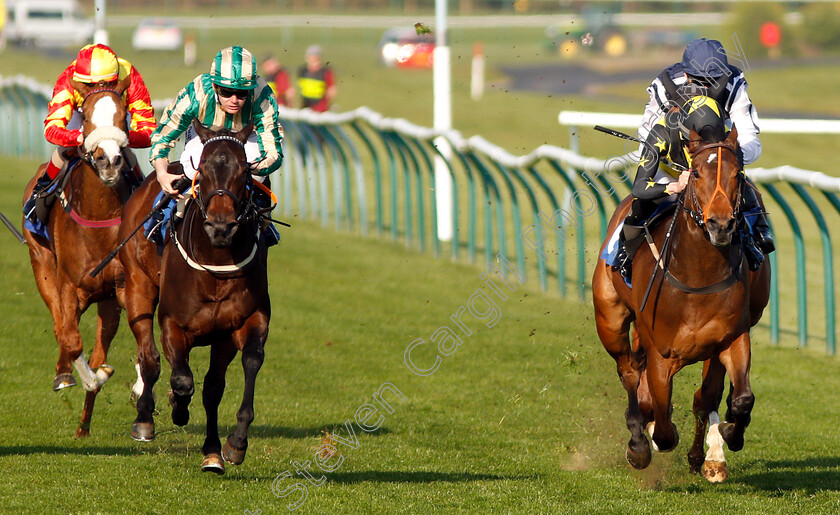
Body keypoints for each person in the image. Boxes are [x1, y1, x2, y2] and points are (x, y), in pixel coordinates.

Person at [616, 38, 774, 278]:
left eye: (712, 81)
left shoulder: (734, 84)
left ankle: (758, 234)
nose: (706, 86)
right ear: (687, 76)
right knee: (640, 205)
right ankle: (624, 251)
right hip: (670, 166)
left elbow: (751, 141)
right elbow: (643, 153)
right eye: (699, 81)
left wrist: (722, 159)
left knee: (740, 183)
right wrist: (675, 183)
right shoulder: (664, 88)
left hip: (715, 158)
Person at [148, 45, 284, 244]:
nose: (234, 100)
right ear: (214, 86)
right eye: (227, 92)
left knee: (257, 172)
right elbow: (163, 137)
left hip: (245, 136)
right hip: (205, 133)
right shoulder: (196, 94)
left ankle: (261, 217)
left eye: (242, 94)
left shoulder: (262, 96)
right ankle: (164, 214)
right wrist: (161, 174)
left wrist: (249, 168)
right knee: (191, 166)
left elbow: (273, 152)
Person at [24, 43, 155, 220]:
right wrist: (82, 136)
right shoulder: (69, 79)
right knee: (64, 151)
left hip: (115, 115)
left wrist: (117, 136)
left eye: (106, 84)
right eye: (89, 85)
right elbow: (52, 129)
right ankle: (40, 194)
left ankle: (142, 195)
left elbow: (149, 131)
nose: (97, 92)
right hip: (82, 115)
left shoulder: (130, 75)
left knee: (124, 153)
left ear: (115, 79)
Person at [297, 44, 336, 112]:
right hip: (305, 108)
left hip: (321, 110)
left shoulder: (326, 72)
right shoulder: (302, 71)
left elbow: (331, 91)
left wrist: (325, 106)